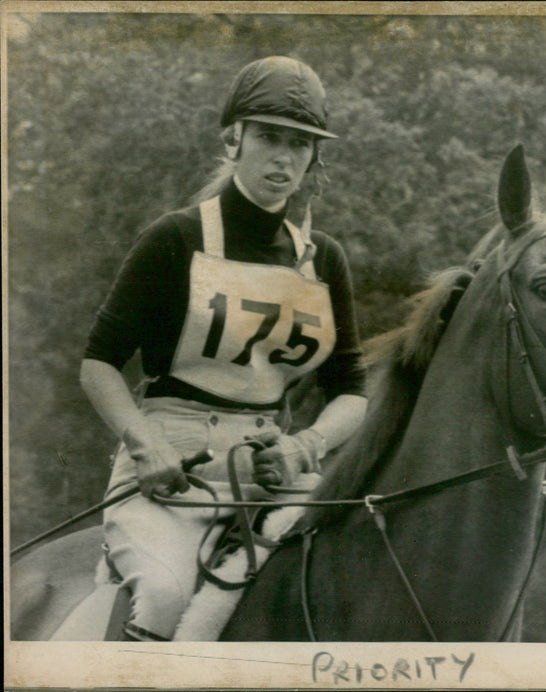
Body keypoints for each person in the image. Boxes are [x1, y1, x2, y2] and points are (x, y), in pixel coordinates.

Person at [79, 56, 367, 641]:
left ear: (316, 156)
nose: (283, 157)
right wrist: (145, 444)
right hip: (173, 469)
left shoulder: (323, 259)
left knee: (358, 564)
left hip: (272, 468)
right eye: (268, 137)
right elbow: (98, 363)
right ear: (234, 139)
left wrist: (306, 444)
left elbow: (352, 391)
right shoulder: (175, 238)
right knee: (163, 597)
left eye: (300, 144)